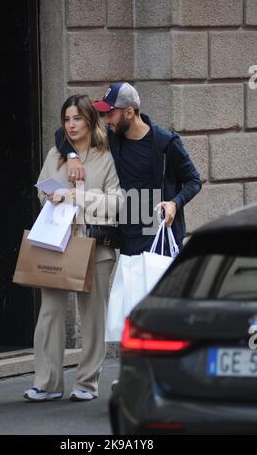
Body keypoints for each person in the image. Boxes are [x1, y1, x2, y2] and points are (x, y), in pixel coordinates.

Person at [23, 95, 123, 402]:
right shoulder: (57, 152)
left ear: (90, 121)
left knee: (92, 316)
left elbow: (117, 203)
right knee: (50, 313)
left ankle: (87, 383)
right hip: (56, 243)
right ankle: (47, 383)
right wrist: (51, 196)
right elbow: (42, 186)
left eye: (77, 118)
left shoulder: (107, 156)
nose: (71, 125)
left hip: (95, 244)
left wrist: (76, 196)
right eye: (66, 119)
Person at [55, 82, 202, 256]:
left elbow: (194, 180)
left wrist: (174, 203)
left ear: (129, 112)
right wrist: (72, 157)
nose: (106, 120)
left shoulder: (165, 142)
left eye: (110, 114)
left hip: (159, 236)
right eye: (104, 114)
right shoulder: (111, 137)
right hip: (128, 237)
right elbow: (61, 133)